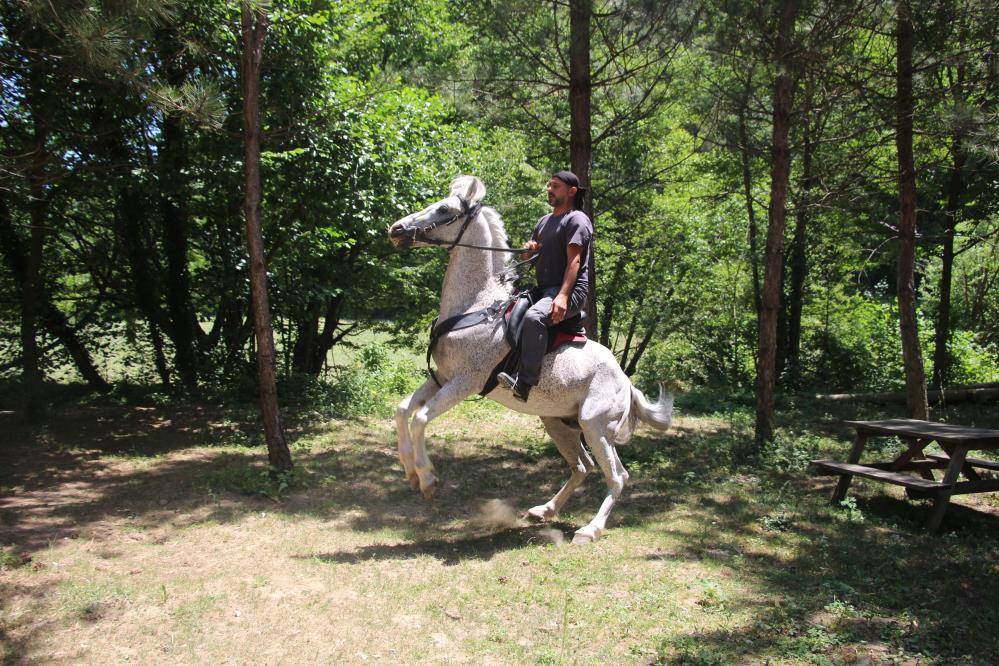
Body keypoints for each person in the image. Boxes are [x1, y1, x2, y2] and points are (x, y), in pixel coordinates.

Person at [497, 170, 593, 401]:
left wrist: (562, 297)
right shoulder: (544, 222)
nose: (549, 190)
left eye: (555, 186)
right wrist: (530, 251)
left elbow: (574, 262)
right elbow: (534, 259)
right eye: (549, 185)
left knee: (534, 318)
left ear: (571, 192)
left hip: (570, 291)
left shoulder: (577, 219)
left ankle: (526, 383)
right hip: (544, 288)